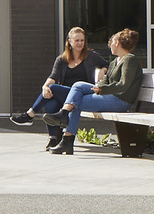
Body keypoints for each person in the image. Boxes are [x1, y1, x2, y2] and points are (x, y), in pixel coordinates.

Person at [10, 26, 98, 154]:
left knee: (52, 89)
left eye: (82, 41)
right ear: (69, 41)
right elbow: (53, 76)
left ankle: (30, 115)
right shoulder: (62, 60)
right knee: (51, 101)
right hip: (65, 95)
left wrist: (102, 70)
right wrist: (44, 87)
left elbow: (107, 65)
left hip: (81, 94)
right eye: (77, 40)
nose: (80, 43)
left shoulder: (91, 56)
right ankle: (53, 139)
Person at [57, 28, 143, 155]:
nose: (110, 45)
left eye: (112, 42)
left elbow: (124, 85)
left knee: (76, 102)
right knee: (78, 85)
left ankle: (67, 141)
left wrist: (103, 89)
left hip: (121, 100)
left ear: (117, 43)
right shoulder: (116, 61)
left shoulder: (129, 60)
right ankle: (64, 114)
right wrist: (100, 86)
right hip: (110, 96)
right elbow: (106, 80)